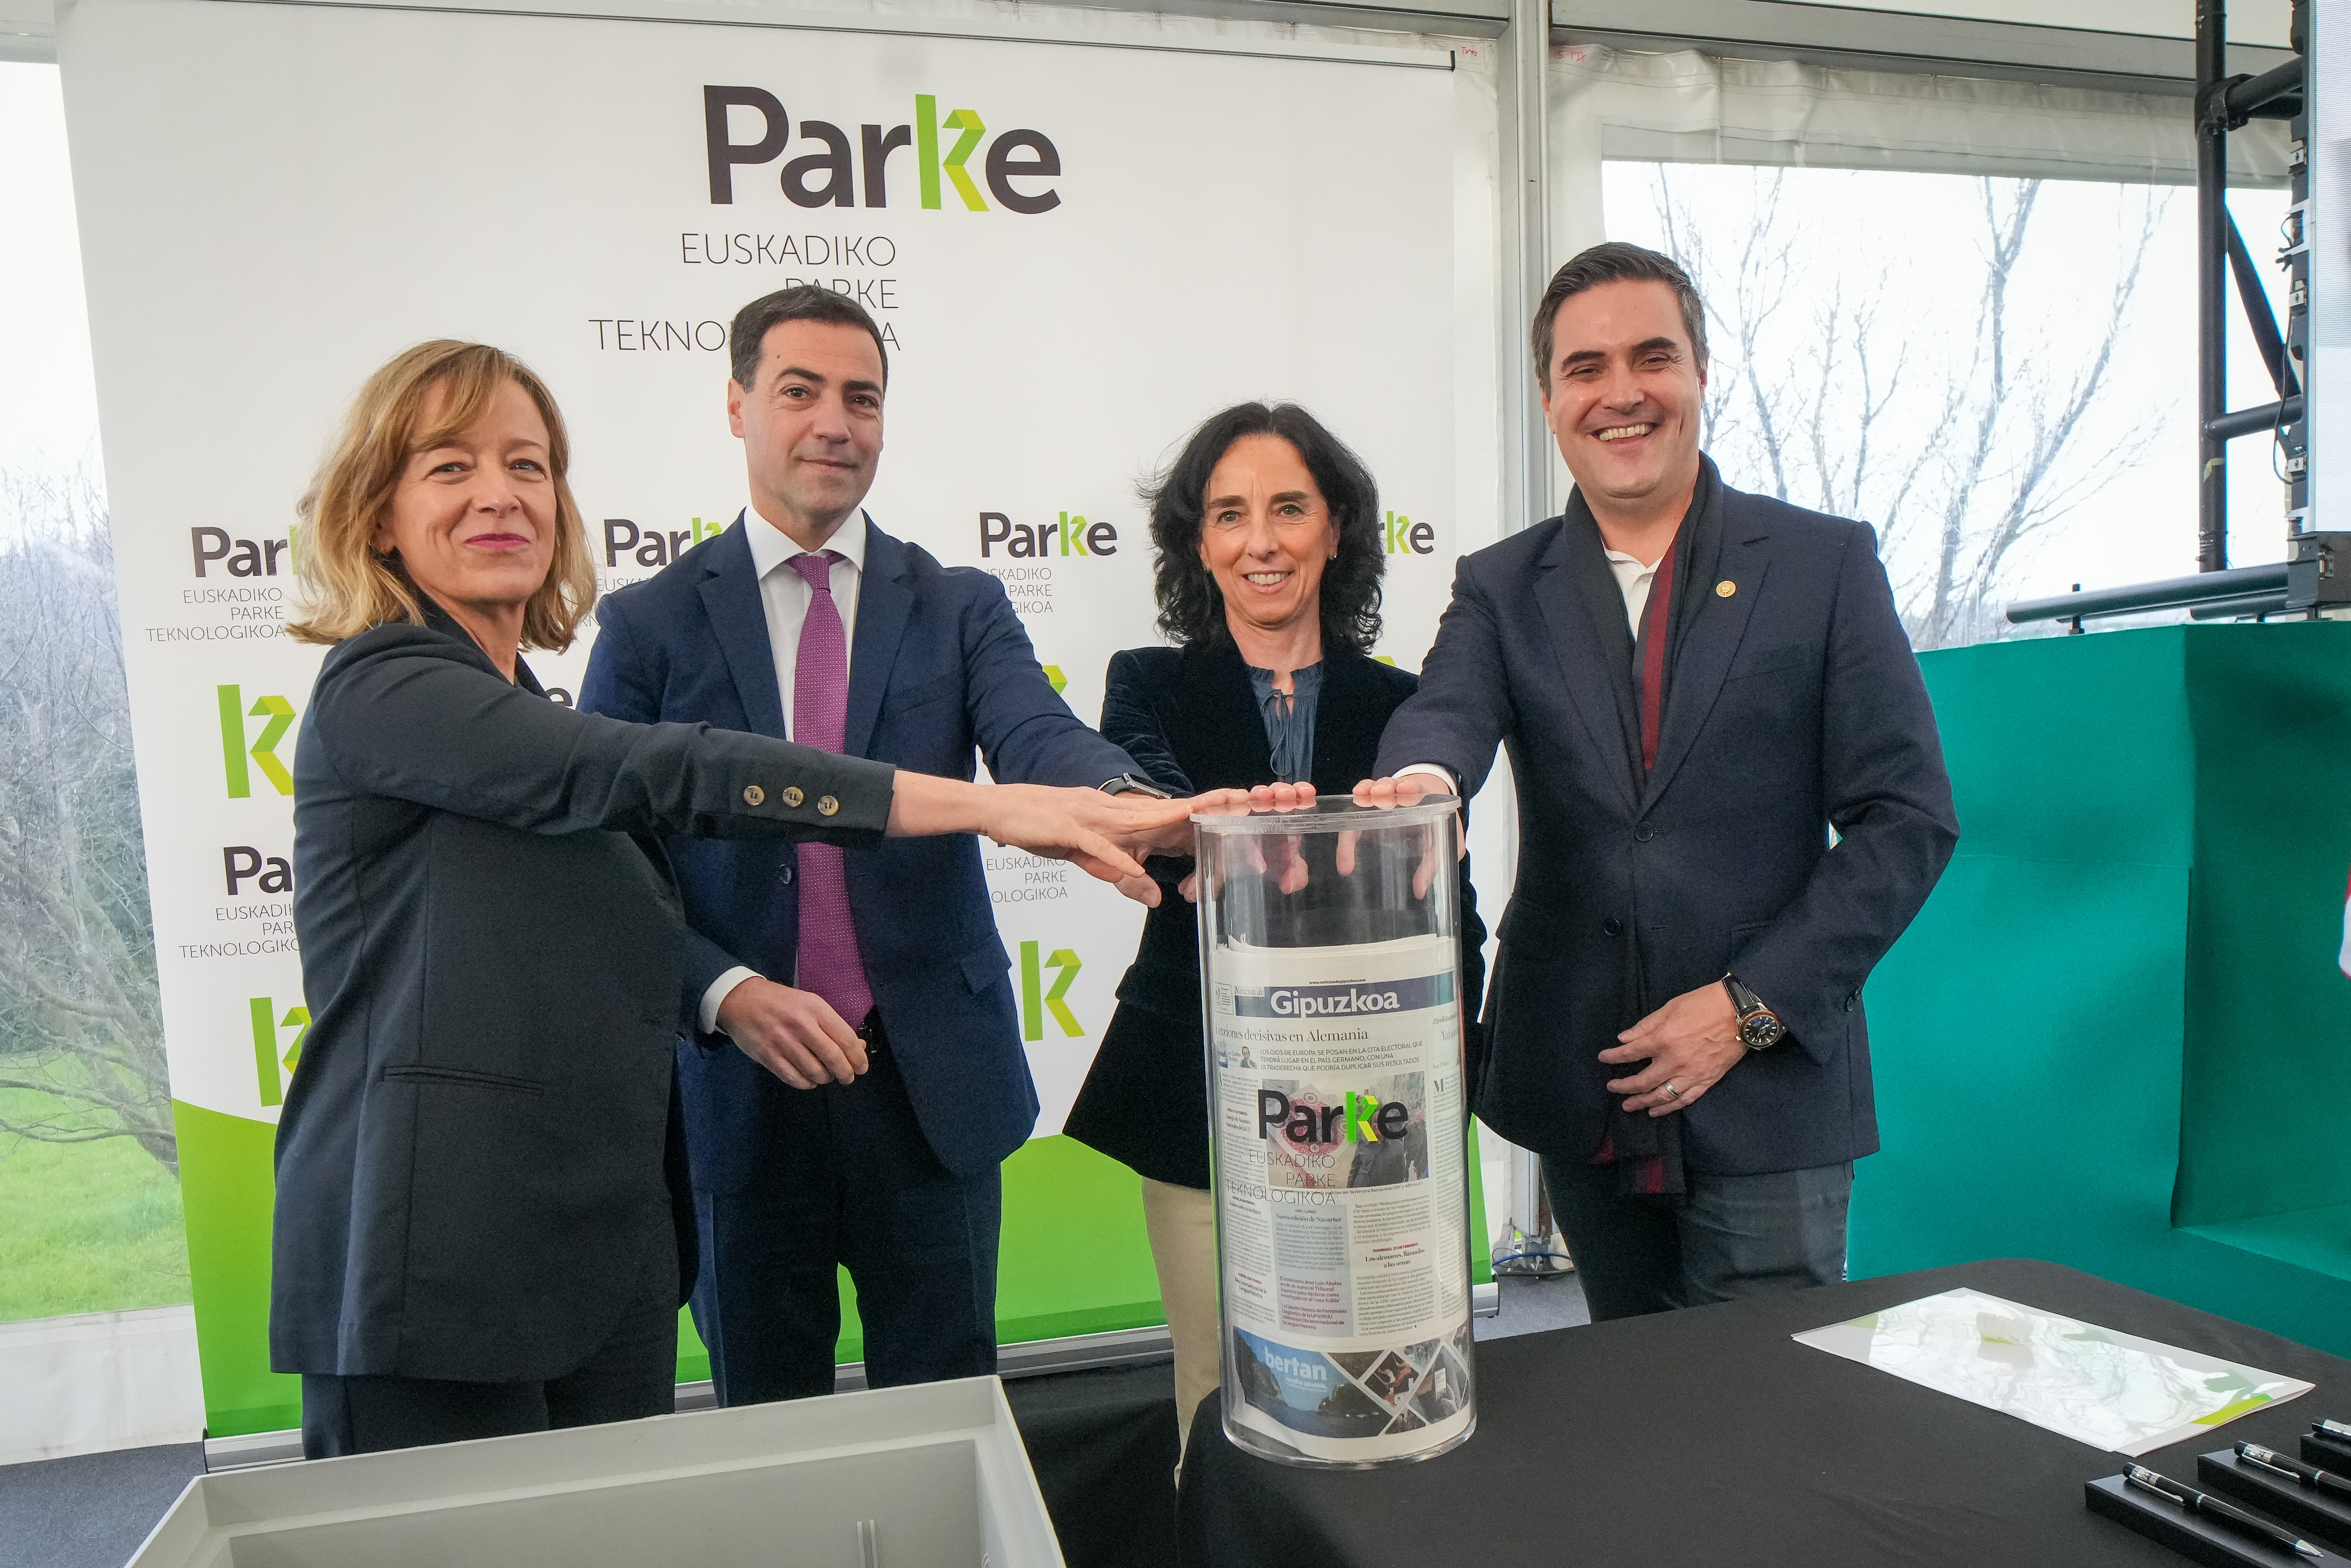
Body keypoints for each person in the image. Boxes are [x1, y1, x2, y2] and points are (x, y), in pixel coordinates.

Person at [274, 340, 1198, 1458]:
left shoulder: (513, 691)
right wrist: (982, 809)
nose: (499, 494)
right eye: (448, 467)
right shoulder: (389, 683)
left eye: (528, 465)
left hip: (604, 1235)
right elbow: (663, 771)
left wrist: (1119, 801)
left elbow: (622, 897)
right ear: (377, 512)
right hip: (438, 1259)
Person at [579, 287, 1166, 1405]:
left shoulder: (958, 603)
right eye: (799, 392)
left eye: (863, 398)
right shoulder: (649, 625)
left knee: (950, 1412)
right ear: (739, 406)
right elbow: (612, 862)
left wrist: (1122, 797)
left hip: (930, 1085)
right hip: (742, 1086)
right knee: (770, 1425)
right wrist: (725, 991)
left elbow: (1036, 732)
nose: (834, 424)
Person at [1366, 242, 1959, 1321]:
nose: (1622, 392)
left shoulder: (1823, 565)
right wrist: (1421, 787)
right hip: (1579, 1085)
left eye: (1653, 357)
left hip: (1768, 1091)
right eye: (1587, 368)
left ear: (1699, 375)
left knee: (1761, 1424)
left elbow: (1906, 820)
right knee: (1628, 1416)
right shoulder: (1502, 585)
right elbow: (1447, 707)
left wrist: (1746, 1010)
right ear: (1550, 399)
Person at [1061, 403, 1484, 1451]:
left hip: (1378, 1110)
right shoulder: (1145, 683)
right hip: (1199, 1097)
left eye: (1289, 508)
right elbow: (1146, 804)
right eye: (1231, 514)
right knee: (1220, 1391)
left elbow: (1449, 916)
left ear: (1335, 529)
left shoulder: (1411, 704)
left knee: (1376, 1385)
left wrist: (1452, 1068)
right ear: (1197, 542)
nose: (1262, 541)